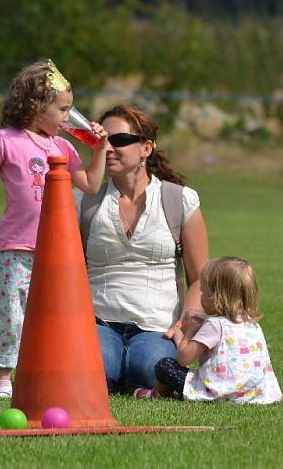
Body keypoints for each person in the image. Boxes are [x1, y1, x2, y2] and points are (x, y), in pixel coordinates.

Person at [0, 59, 107, 398]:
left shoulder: (64, 147)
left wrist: (99, 150)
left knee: (55, 314)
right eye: (63, 109)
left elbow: (91, 185)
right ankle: (3, 380)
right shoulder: (4, 139)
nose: (68, 117)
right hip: (17, 246)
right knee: (11, 313)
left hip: (57, 248)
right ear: (36, 106)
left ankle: (47, 373)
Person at [79, 105, 210, 393]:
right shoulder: (84, 202)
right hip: (99, 323)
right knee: (92, 373)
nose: (109, 148)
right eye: (100, 140)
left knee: (152, 370)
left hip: (157, 327)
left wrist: (185, 323)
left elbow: (200, 277)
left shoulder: (180, 200)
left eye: (120, 140)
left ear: (145, 148)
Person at [135, 256, 283, 404]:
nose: (200, 297)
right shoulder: (253, 325)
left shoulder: (215, 326)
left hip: (218, 392)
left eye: (203, 292)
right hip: (250, 393)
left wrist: (188, 332)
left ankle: (157, 394)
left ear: (216, 296)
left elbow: (184, 358)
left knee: (165, 366)